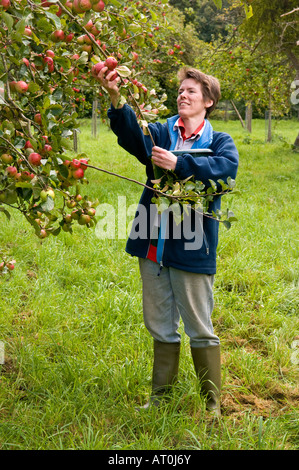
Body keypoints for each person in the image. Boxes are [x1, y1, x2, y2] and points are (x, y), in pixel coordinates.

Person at [95, 66, 239, 417]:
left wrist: (179, 163)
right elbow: (134, 137)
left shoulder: (219, 142)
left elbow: (225, 172)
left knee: (199, 327)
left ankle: (212, 405)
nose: (183, 95)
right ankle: (161, 398)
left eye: (191, 91)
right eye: (180, 90)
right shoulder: (161, 132)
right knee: (159, 323)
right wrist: (116, 97)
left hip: (191, 245)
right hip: (153, 242)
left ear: (208, 101)